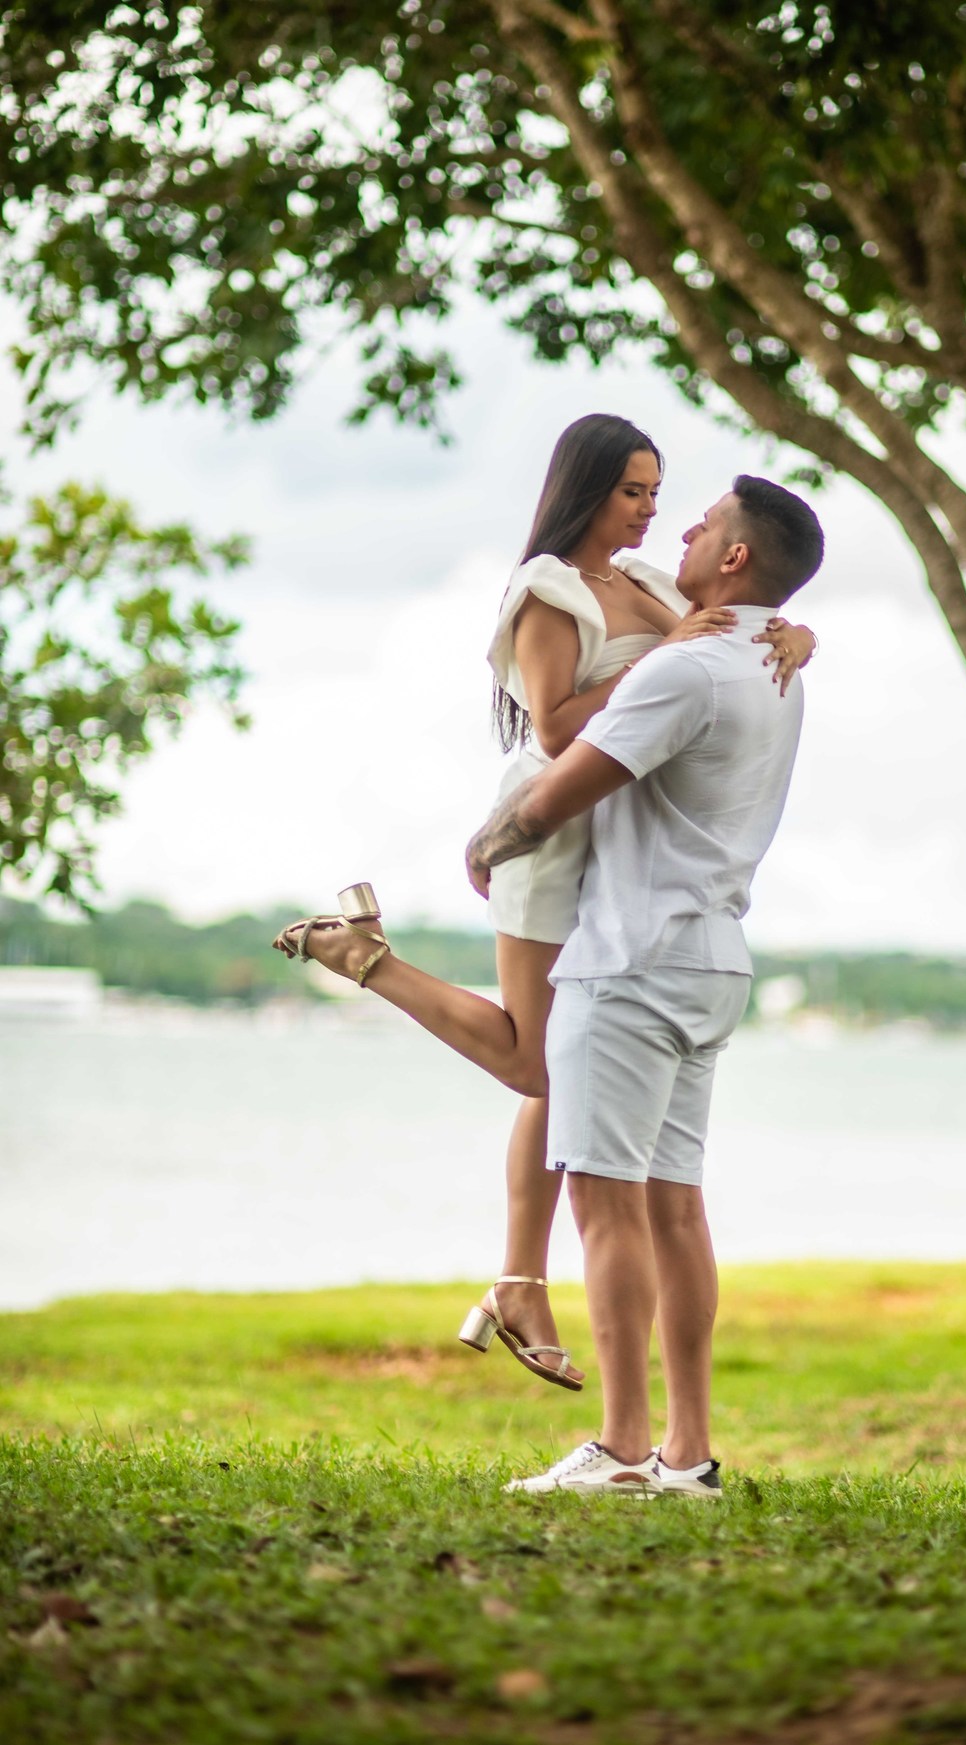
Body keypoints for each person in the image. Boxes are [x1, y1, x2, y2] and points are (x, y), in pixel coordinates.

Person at [273, 418, 816, 1392]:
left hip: (618, 844)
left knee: (562, 1071)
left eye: (658, 494)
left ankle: (519, 1280)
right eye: (632, 492)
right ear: (587, 489)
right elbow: (559, 726)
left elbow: (731, 626)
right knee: (536, 1064)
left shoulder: (648, 582)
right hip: (547, 829)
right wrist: (662, 661)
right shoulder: (548, 592)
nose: (651, 513)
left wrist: (796, 634)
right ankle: (365, 959)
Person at [462, 474, 824, 1497]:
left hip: (630, 962)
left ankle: (622, 1448)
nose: (684, 530)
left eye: (703, 523)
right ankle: (687, 1453)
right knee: (676, 1211)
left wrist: (487, 845)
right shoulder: (775, 665)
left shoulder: (688, 669)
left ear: (736, 557)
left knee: (608, 1208)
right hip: (711, 958)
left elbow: (560, 788)